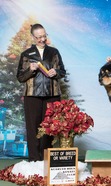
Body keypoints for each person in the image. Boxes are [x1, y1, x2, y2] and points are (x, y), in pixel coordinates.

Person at [16, 24, 66, 161]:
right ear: (33, 37)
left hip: (52, 95)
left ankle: (47, 159)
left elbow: (62, 71)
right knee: (33, 128)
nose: (42, 39)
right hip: (32, 96)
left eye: (44, 36)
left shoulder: (54, 52)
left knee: (50, 127)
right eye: (39, 37)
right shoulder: (26, 54)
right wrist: (30, 70)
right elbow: (20, 77)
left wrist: (56, 72)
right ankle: (33, 159)